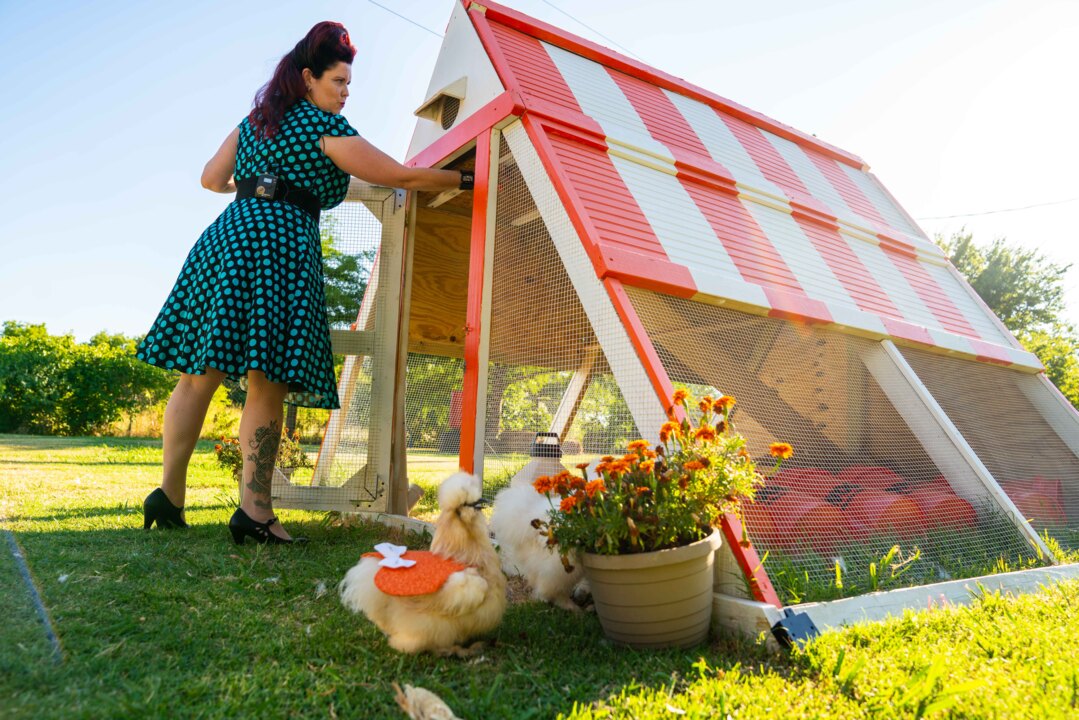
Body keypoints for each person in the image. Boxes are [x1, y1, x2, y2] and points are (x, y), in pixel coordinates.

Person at [137, 21, 468, 544]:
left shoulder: (256, 123)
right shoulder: (323, 127)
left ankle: (169, 496)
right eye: (339, 82)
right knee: (265, 380)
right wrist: (463, 178)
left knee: (199, 375)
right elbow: (399, 176)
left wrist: (250, 187)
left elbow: (209, 179)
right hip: (280, 249)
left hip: (226, 239)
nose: (344, 93)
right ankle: (256, 512)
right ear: (310, 78)